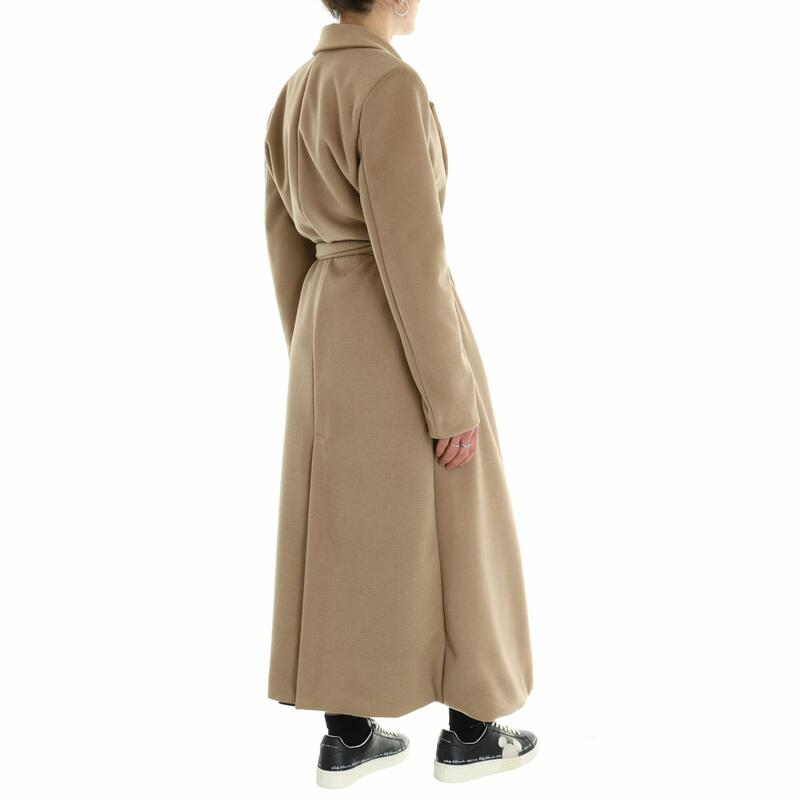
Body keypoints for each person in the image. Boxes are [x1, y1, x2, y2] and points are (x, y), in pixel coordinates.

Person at [263, 0, 538, 787]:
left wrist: (311, 354)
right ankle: (473, 733)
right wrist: (450, 399)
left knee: (343, 528)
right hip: (393, 326)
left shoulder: (296, 89)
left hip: (326, 325)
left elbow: (281, 236)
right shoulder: (388, 85)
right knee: (457, 518)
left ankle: (348, 736)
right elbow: (413, 253)